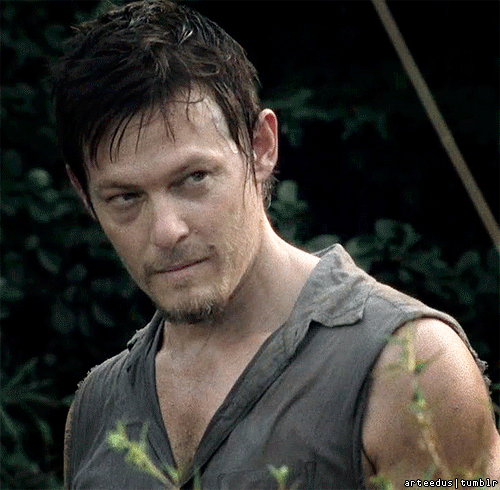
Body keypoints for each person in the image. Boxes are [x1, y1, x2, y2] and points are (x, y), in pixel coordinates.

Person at [51, 1, 500, 488]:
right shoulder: (97, 407)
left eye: (193, 178)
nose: (166, 230)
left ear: (261, 147)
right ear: (84, 194)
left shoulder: (410, 369)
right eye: (125, 197)